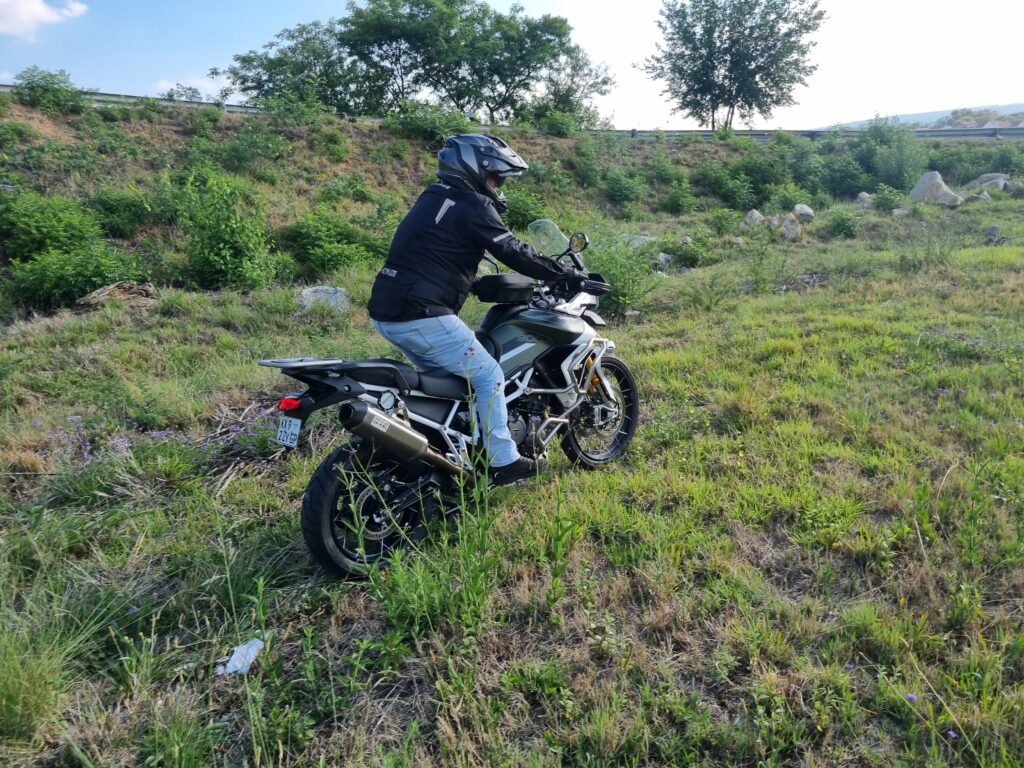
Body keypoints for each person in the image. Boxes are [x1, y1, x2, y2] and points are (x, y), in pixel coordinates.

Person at [368, 133, 574, 486]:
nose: (497, 184)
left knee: (452, 386)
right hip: (421, 313)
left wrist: (472, 283)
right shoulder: (473, 203)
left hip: (389, 310)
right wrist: (564, 273)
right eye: (495, 176)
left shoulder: (434, 197)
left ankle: (448, 447)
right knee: (486, 374)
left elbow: (436, 251)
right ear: (476, 169)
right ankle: (502, 461)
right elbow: (511, 249)